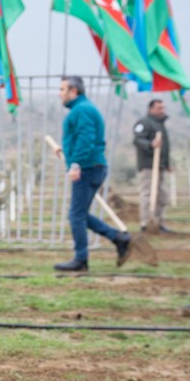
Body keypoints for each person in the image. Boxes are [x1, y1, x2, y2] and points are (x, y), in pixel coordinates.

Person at [53, 76, 132, 272]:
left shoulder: (82, 110)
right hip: (90, 166)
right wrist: (67, 152)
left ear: (74, 92)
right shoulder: (82, 109)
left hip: (88, 167)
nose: (59, 93)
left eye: (62, 89)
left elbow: (86, 139)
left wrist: (76, 164)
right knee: (79, 214)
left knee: (76, 216)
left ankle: (81, 260)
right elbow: (82, 139)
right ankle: (118, 238)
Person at [133, 99, 173, 231]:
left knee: (161, 195)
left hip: (160, 166)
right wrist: (150, 144)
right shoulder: (143, 123)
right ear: (151, 109)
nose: (162, 110)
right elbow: (138, 139)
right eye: (159, 108)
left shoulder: (161, 125)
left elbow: (165, 147)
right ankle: (145, 223)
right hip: (148, 166)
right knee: (148, 194)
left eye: (163, 108)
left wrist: (166, 163)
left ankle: (159, 222)